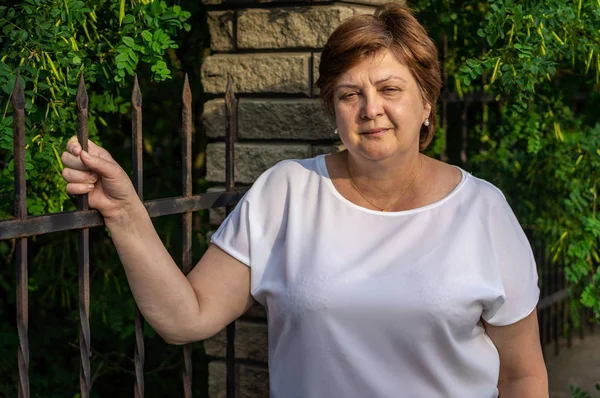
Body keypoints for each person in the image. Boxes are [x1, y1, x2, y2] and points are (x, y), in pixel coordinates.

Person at [61, 3, 548, 397]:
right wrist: (124, 212)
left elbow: (522, 377)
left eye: (390, 89)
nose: (370, 109)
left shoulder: (481, 210)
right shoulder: (286, 192)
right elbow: (187, 317)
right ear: (332, 108)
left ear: (426, 102)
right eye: (349, 94)